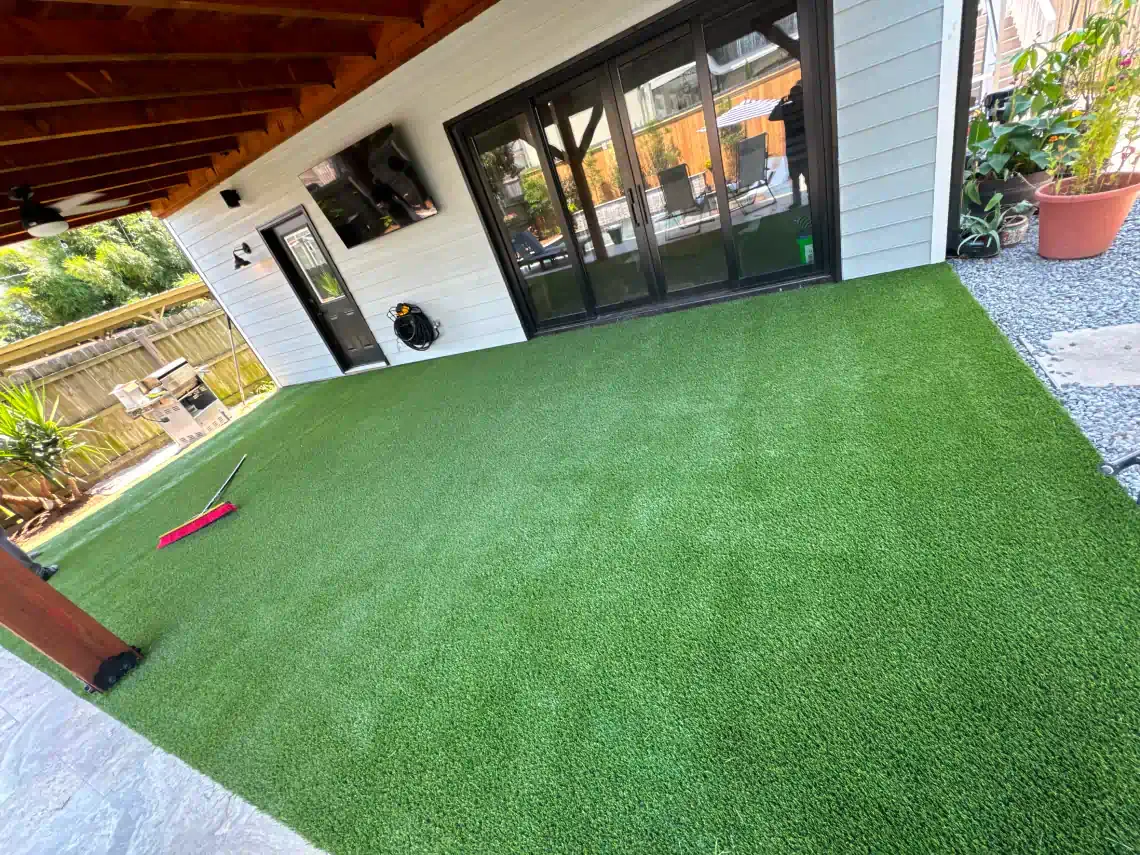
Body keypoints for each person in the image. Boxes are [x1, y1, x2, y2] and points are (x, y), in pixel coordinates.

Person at [770, 79, 808, 207]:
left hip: (793, 151)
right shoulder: (806, 107)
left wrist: (781, 102)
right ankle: (812, 200)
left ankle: (797, 203)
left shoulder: (787, 109)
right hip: (804, 150)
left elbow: (772, 116)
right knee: (808, 179)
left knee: (796, 182)